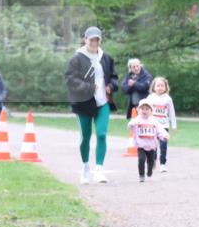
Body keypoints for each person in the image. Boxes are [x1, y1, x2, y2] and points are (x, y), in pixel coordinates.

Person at [64, 26, 118, 184]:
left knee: (101, 134)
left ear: (100, 40)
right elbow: (70, 79)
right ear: (85, 39)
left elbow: (113, 77)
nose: (94, 42)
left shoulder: (106, 58)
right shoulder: (77, 58)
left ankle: (99, 169)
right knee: (85, 137)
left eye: (97, 39)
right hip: (83, 103)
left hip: (103, 102)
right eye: (91, 39)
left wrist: (111, 86)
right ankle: (85, 167)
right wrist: (88, 87)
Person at [129, 97, 170, 181]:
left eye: (147, 109)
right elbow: (130, 126)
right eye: (142, 109)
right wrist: (132, 124)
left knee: (150, 162)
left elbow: (160, 130)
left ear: (151, 111)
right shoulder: (137, 119)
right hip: (141, 145)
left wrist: (165, 136)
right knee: (141, 160)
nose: (144, 111)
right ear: (138, 110)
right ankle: (141, 175)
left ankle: (150, 170)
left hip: (151, 146)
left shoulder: (154, 120)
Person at [146, 76, 177, 171]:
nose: (160, 87)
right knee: (153, 145)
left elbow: (172, 113)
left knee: (163, 145)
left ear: (166, 87)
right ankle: (153, 161)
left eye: (162, 86)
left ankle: (163, 164)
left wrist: (174, 125)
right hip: (153, 126)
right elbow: (145, 110)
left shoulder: (168, 99)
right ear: (154, 87)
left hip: (164, 126)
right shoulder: (150, 98)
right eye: (158, 85)